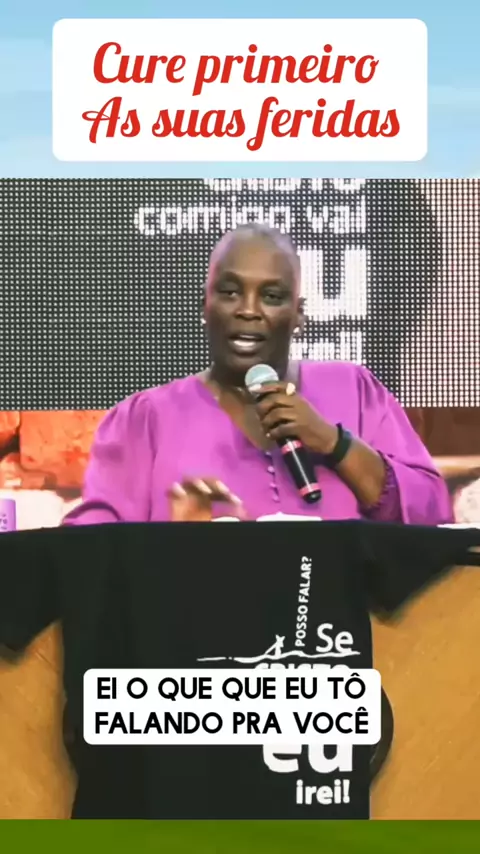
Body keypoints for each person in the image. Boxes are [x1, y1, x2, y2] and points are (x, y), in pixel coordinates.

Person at [63, 223, 453, 526]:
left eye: (271, 296)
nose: (248, 310)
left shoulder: (355, 390)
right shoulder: (144, 420)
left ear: (298, 315)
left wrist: (334, 444)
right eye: (230, 292)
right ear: (205, 305)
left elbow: (433, 515)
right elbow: (86, 558)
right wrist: (176, 544)